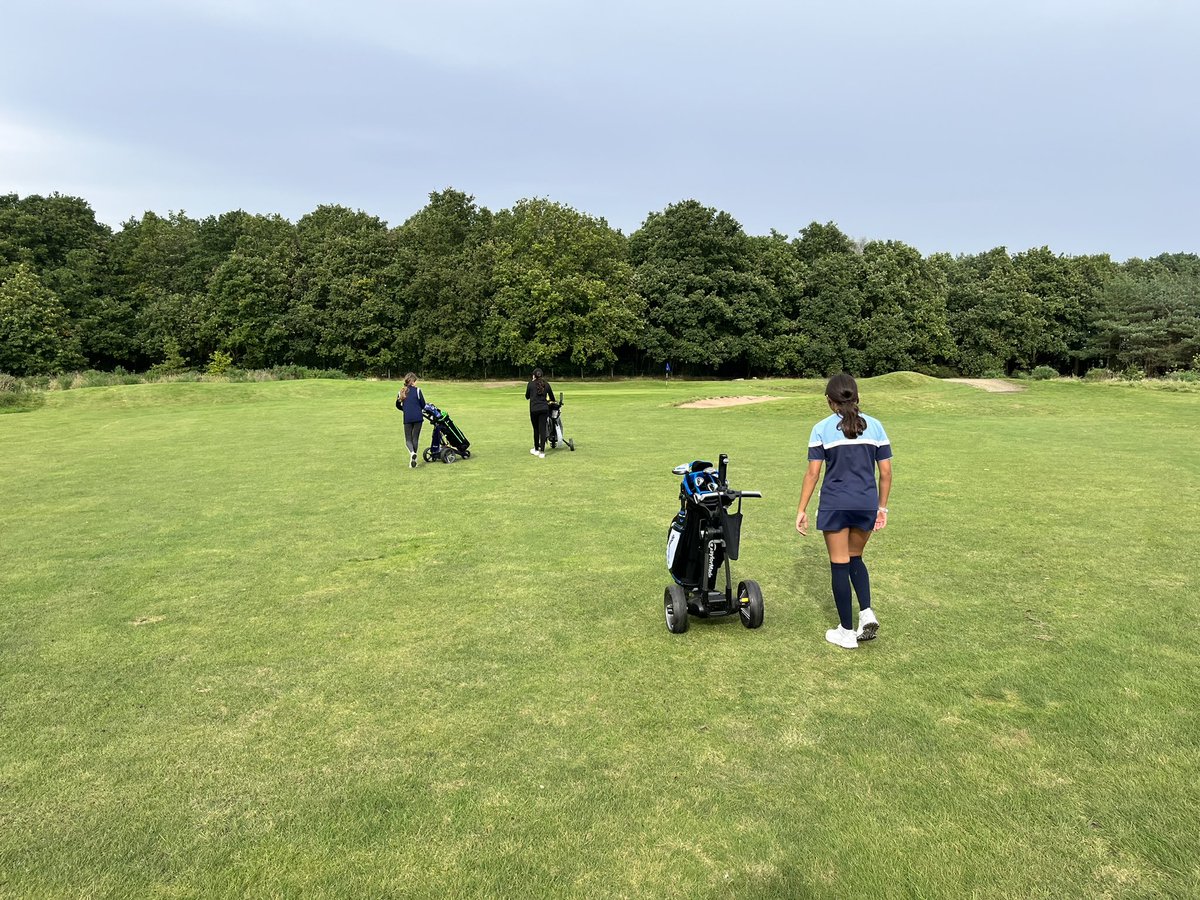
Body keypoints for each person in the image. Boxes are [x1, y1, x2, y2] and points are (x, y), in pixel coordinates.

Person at [795, 374, 893, 649]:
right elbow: (885, 473)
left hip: (835, 504)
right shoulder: (876, 426)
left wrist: (801, 509)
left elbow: (813, 474)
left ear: (829, 400)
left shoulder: (821, 429)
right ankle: (866, 612)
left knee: (839, 563)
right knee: (855, 558)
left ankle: (847, 632)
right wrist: (881, 508)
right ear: (857, 397)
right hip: (866, 504)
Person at [396, 373, 426, 468]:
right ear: (412, 381)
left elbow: (397, 405)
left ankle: (412, 454)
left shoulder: (401, 392)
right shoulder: (418, 391)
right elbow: (423, 405)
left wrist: (405, 409)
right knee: (415, 438)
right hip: (418, 417)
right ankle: (414, 459)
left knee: (408, 439)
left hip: (407, 418)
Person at [525, 368, 556, 458]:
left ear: (534, 375)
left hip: (534, 409)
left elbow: (527, 396)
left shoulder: (530, 384)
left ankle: (536, 449)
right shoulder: (546, 384)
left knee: (536, 429)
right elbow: (552, 398)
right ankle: (542, 452)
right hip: (544, 409)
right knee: (542, 429)